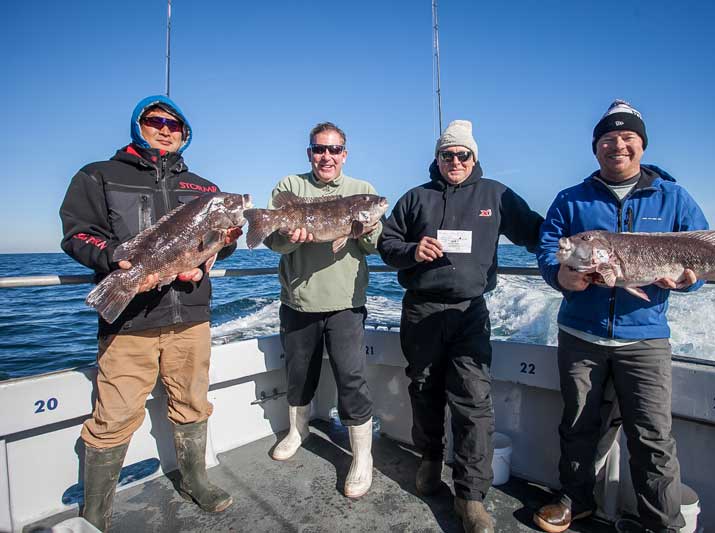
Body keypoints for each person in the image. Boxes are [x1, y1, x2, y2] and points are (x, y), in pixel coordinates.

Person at [60, 95, 240, 531]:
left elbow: (225, 239)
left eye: (174, 125)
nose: (165, 129)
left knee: (193, 402)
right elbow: (77, 233)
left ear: (185, 134)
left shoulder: (205, 189)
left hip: (190, 316)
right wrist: (116, 258)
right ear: (137, 125)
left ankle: (196, 479)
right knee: (114, 416)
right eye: (154, 120)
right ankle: (96, 512)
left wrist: (222, 244)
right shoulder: (98, 175)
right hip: (130, 322)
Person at [534, 100, 707, 533]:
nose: (618, 145)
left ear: (642, 145)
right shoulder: (571, 199)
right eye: (608, 138)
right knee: (577, 424)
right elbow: (546, 248)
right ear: (596, 148)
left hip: (645, 339)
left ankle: (660, 524)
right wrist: (560, 276)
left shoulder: (674, 197)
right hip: (581, 334)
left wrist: (688, 280)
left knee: (652, 438)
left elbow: (703, 262)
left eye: (628, 137)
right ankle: (576, 500)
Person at [378, 120, 543, 533]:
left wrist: (583, 245)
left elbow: (536, 232)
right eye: (447, 155)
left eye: (462, 154)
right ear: (437, 158)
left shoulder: (497, 195)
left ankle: (470, 496)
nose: (455, 161)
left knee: (473, 401)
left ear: (474, 157)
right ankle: (431, 460)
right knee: (423, 389)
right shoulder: (416, 198)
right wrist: (413, 249)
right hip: (421, 311)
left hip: (470, 312)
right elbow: (387, 245)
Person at [263, 122, 382, 499]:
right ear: (309, 152)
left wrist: (366, 231)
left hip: (347, 303)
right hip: (298, 301)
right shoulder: (289, 188)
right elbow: (277, 246)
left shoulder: (363, 192)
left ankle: (362, 456)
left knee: (351, 377)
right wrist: (285, 235)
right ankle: (297, 431)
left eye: (334, 150)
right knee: (299, 373)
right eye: (319, 149)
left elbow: (373, 246)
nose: (326, 156)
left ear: (345, 153)